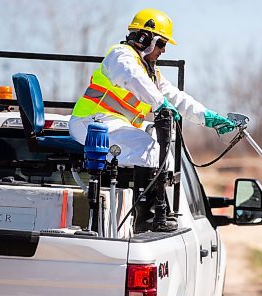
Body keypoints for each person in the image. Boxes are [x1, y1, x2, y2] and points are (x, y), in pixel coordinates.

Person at [70, 8, 236, 231]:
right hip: (91, 124)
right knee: (147, 148)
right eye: (161, 43)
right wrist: (160, 104)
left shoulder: (151, 73)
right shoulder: (120, 56)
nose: (163, 50)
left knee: (156, 147)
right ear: (144, 38)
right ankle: (145, 220)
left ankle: (159, 208)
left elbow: (177, 98)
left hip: (110, 124)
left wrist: (208, 118)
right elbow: (132, 78)